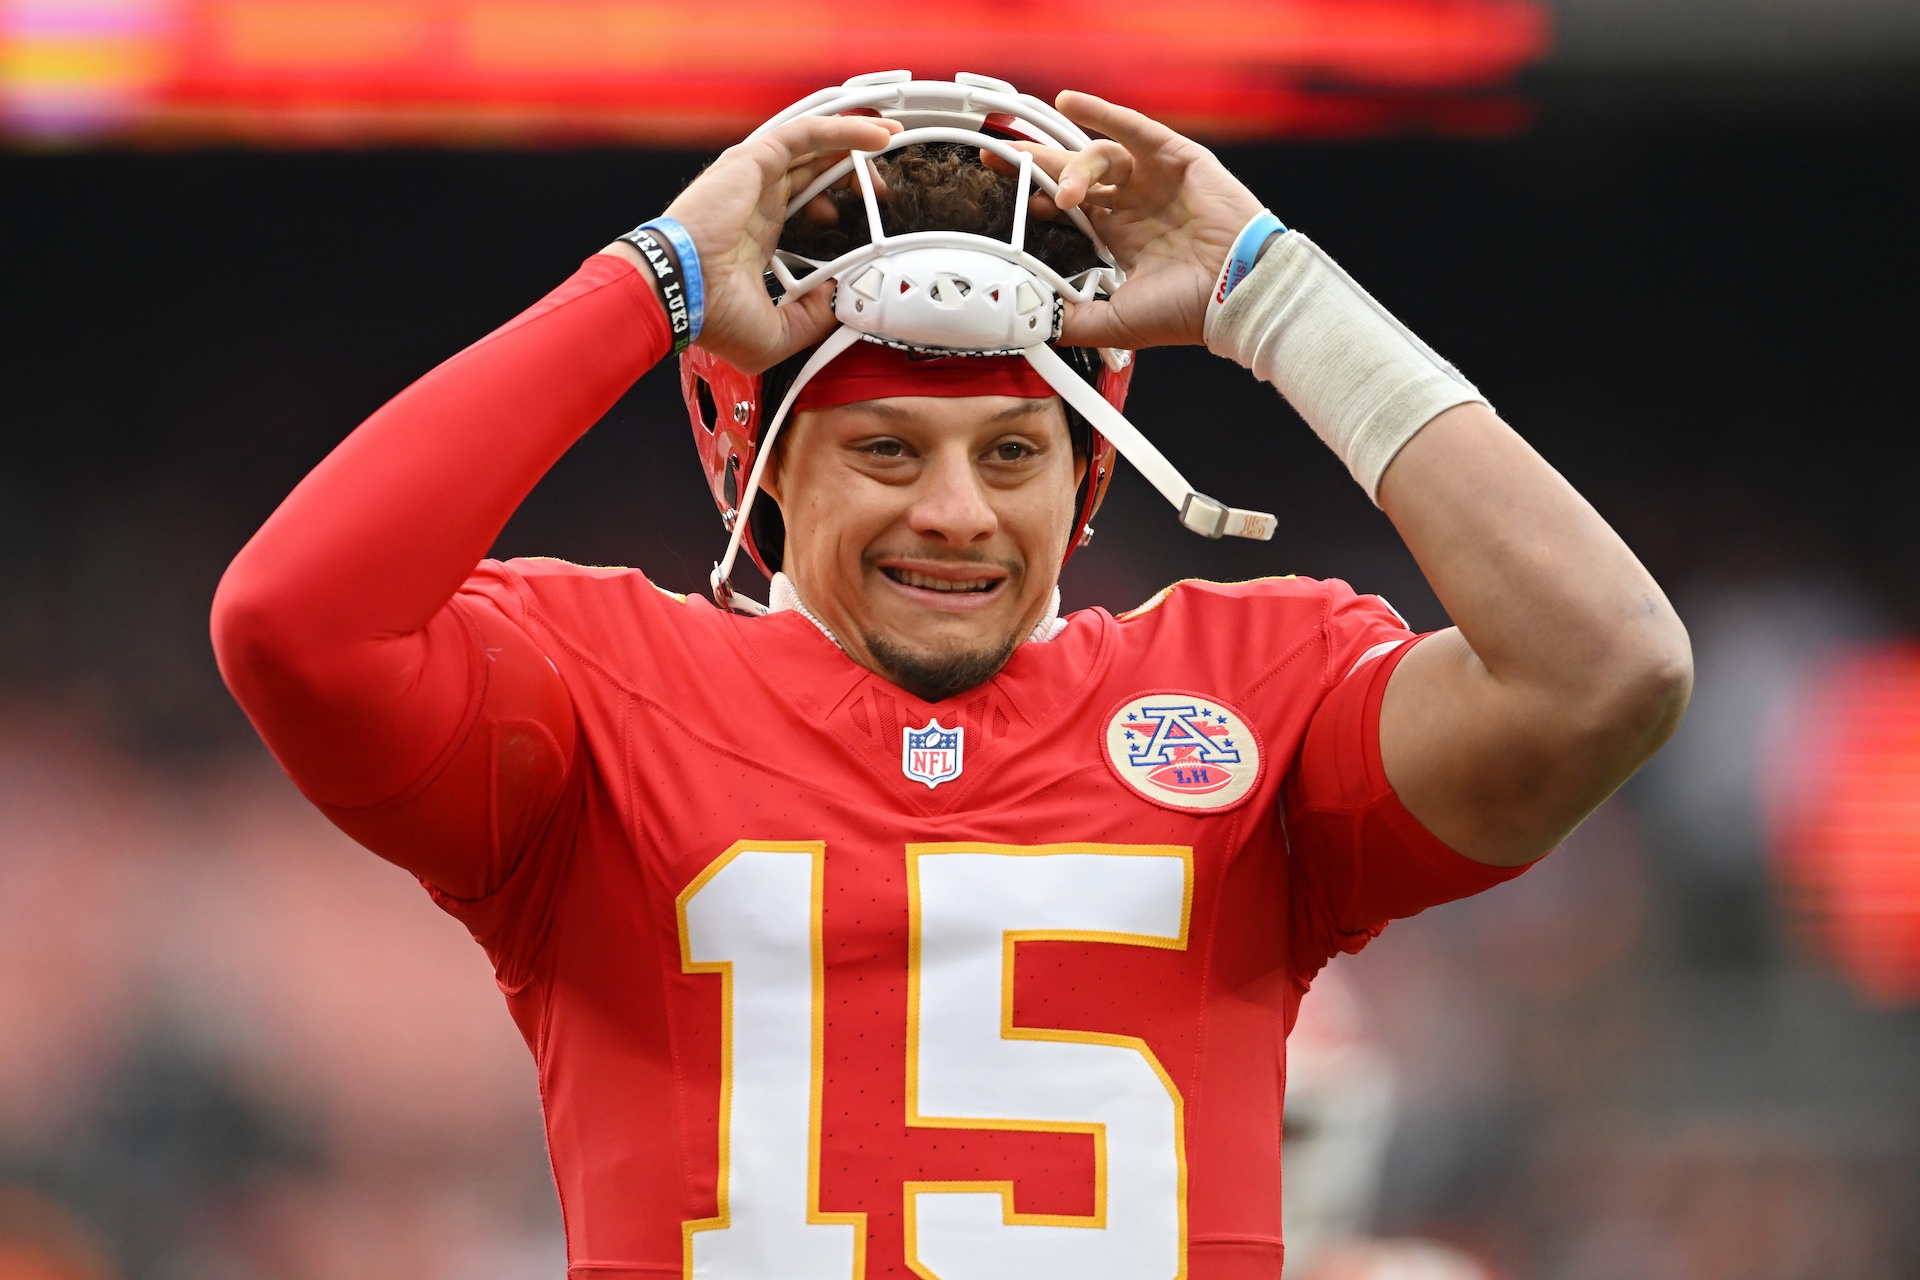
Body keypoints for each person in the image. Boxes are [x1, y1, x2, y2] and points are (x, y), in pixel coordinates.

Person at [210, 74, 1691, 1280]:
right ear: (764, 460)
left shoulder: (1258, 693)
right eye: (885, 448)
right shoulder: (601, 694)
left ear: (1088, 471)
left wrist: (1278, 301)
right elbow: (292, 621)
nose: (957, 513)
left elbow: (1605, 672)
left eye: (1009, 452)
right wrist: (648, 281)